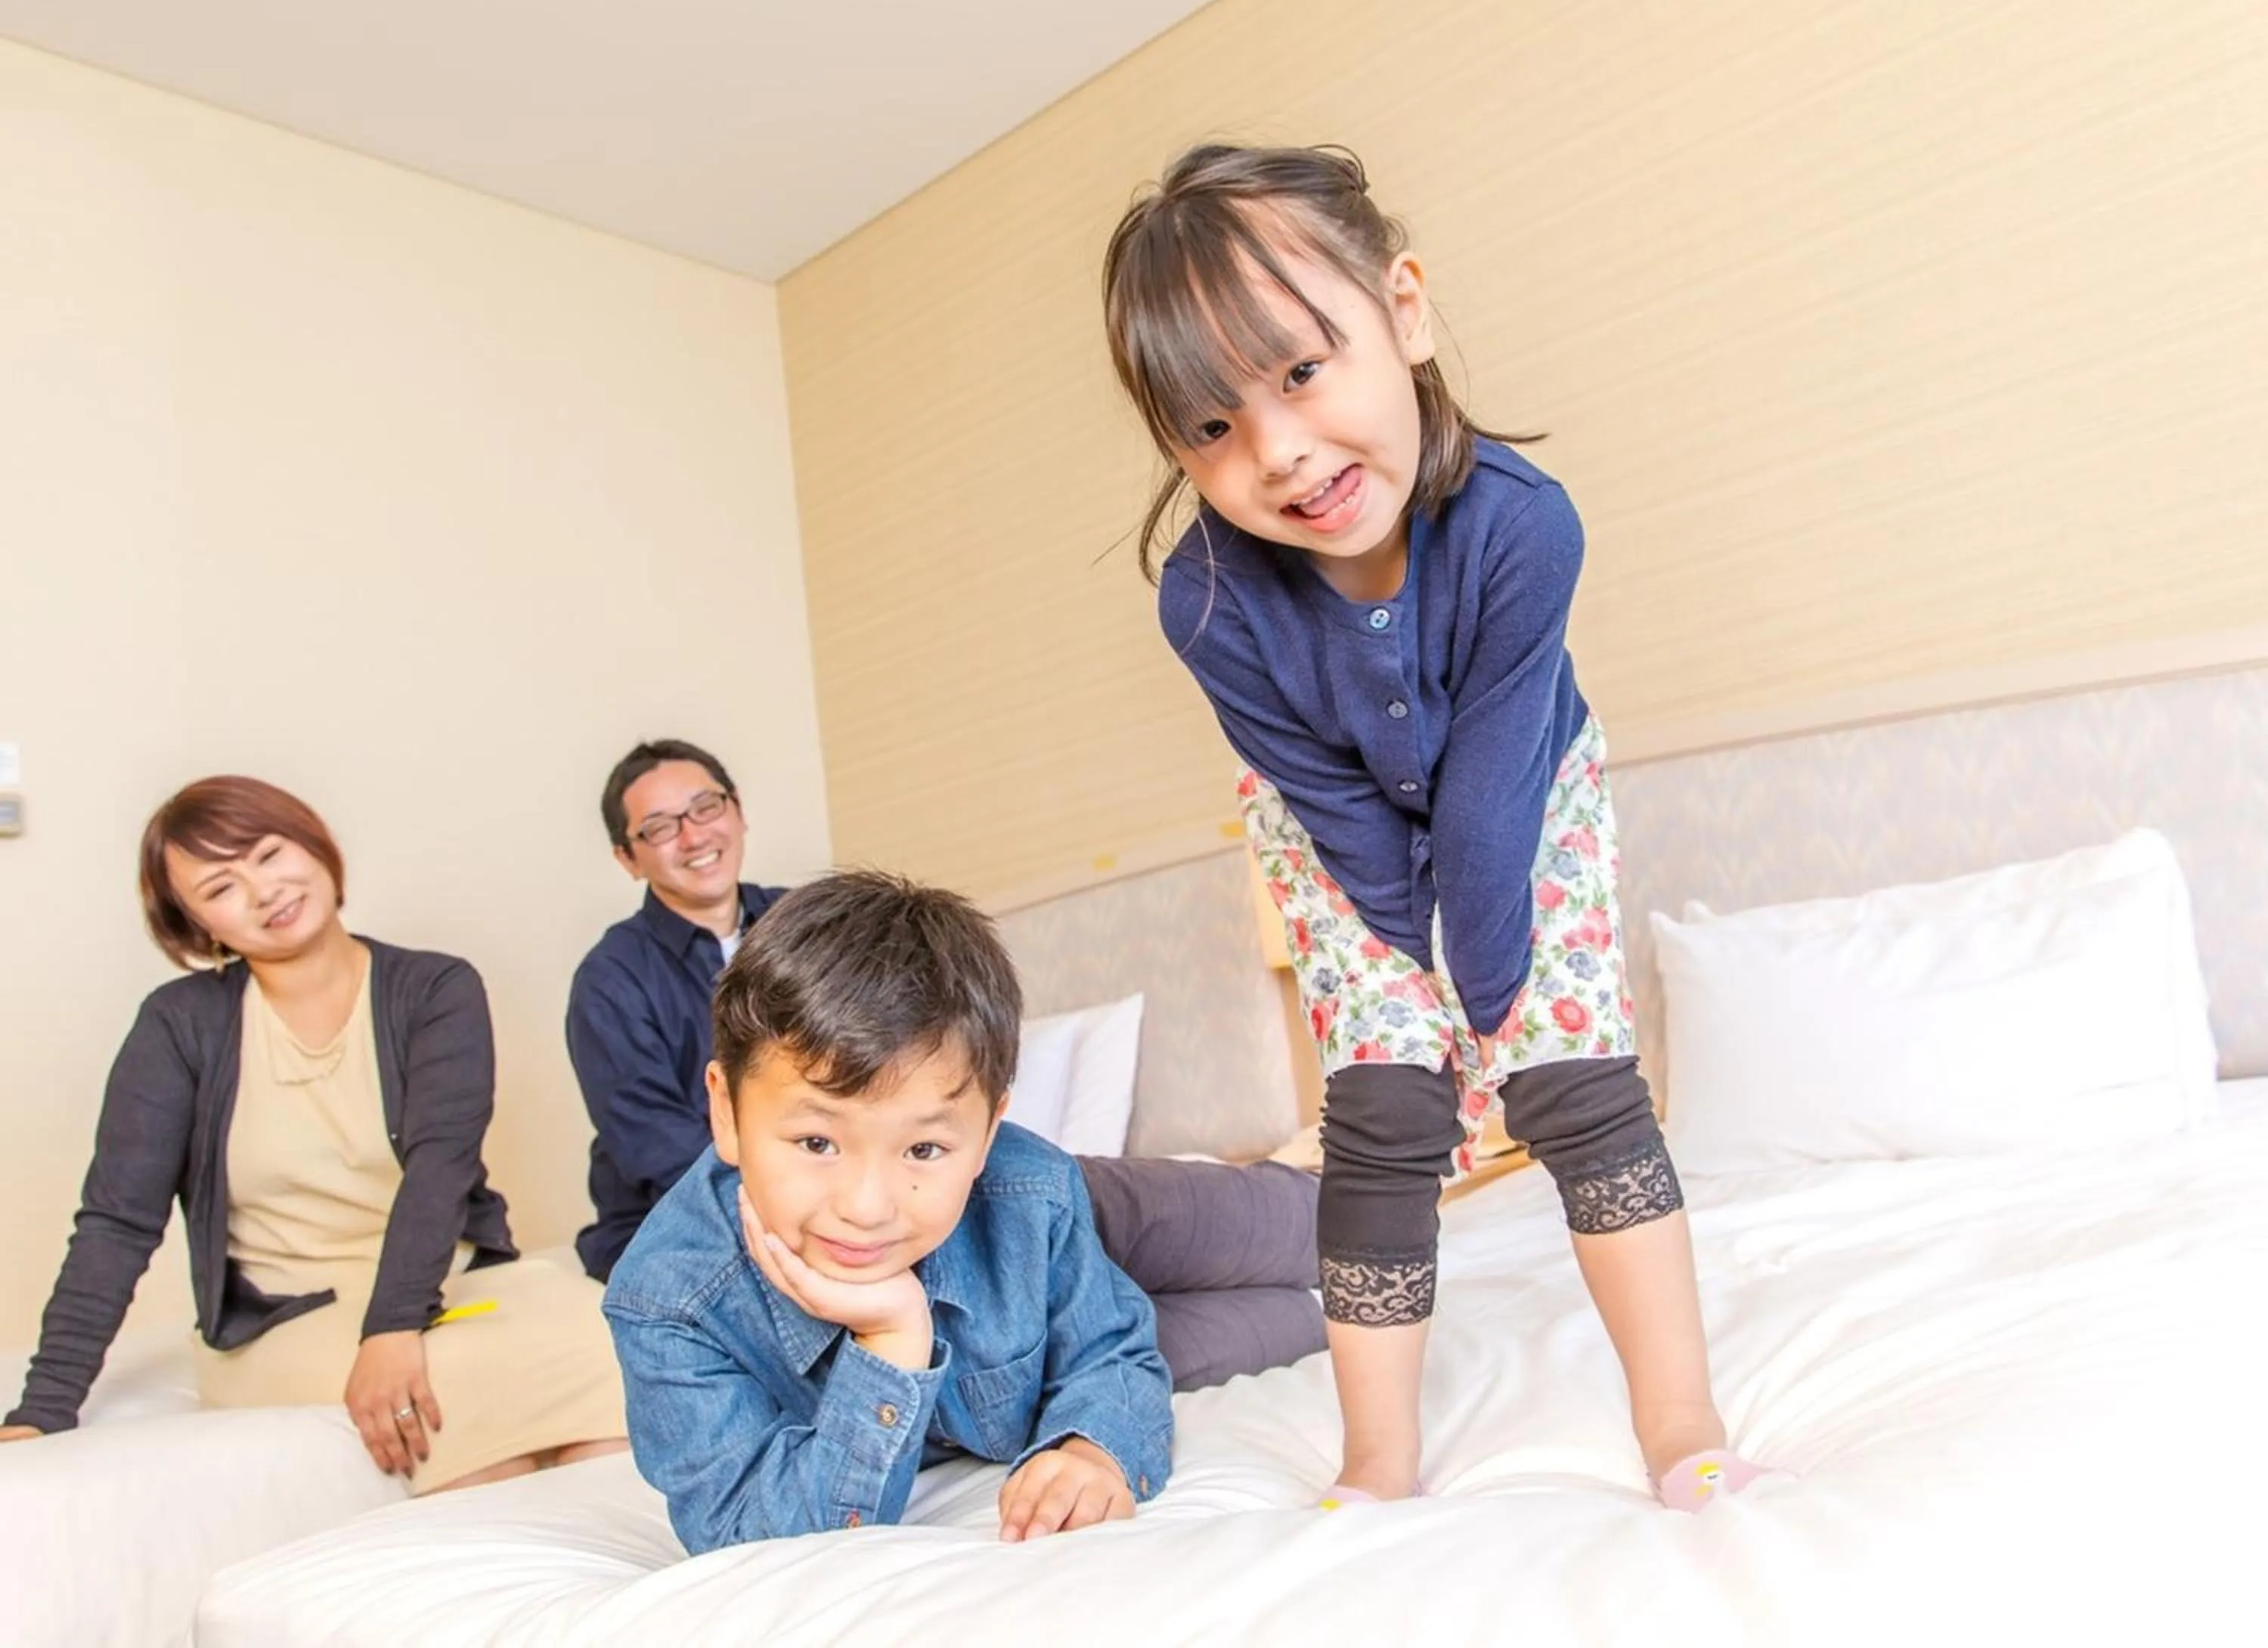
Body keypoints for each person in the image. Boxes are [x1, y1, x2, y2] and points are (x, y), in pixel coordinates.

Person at [1101, 143, 1765, 1511]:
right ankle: (1379, 1458)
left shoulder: (1527, 528)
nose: (1278, 451)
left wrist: (1494, 997)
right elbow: (1331, 799)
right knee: (1383, 1117)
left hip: (1525, 790)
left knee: (1575, 1083)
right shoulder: (1206, 604)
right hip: (1332, 838)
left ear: (1403, 311)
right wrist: (1421, 996)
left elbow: (1491, 789)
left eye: (1301, 370)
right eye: (1211, 426)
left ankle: (1680, 1420)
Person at [567, 738, 1327, 1392]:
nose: (692, 834)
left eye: (705, 807)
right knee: (1150, 1332)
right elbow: (648, 1143)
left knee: (1214, 1218)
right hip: (756, 1216)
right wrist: (808, 1199)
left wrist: (924, 1164)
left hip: (952, 1188)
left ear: (737, 812)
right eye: (659, 827)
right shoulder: (612, 979)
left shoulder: (814, 919)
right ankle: (1311, 1309)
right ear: (627, 858)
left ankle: (1339, 1233)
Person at [1, 777, 627, 1494]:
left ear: (314, 846)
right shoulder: (179, 1026)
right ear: (199, 924)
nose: (264, 891)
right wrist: (43, 1408)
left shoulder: (434, 989)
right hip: (289, 1321)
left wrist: (393, 1326)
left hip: (452, 1289)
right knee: (458, 1393)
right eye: (221, 888)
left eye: (269, 855)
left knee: (622, 1340)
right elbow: (118, 1222)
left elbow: (441, 1168)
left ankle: (611, 1558)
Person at [605, 871, 1172, 1550]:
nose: (866, 1208)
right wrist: (892, 1340)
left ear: (988, 1131)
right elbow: (748, 1533)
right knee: (1230, 1328)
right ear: (725, 1111)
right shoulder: (669, 1302)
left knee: (1268, 1233)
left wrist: (1093, 1451)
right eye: (817, 1143)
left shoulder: (1032, 1191)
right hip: (1044, 1223)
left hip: (1115, 1199)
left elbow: (1110, 1352)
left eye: (923, 1149)